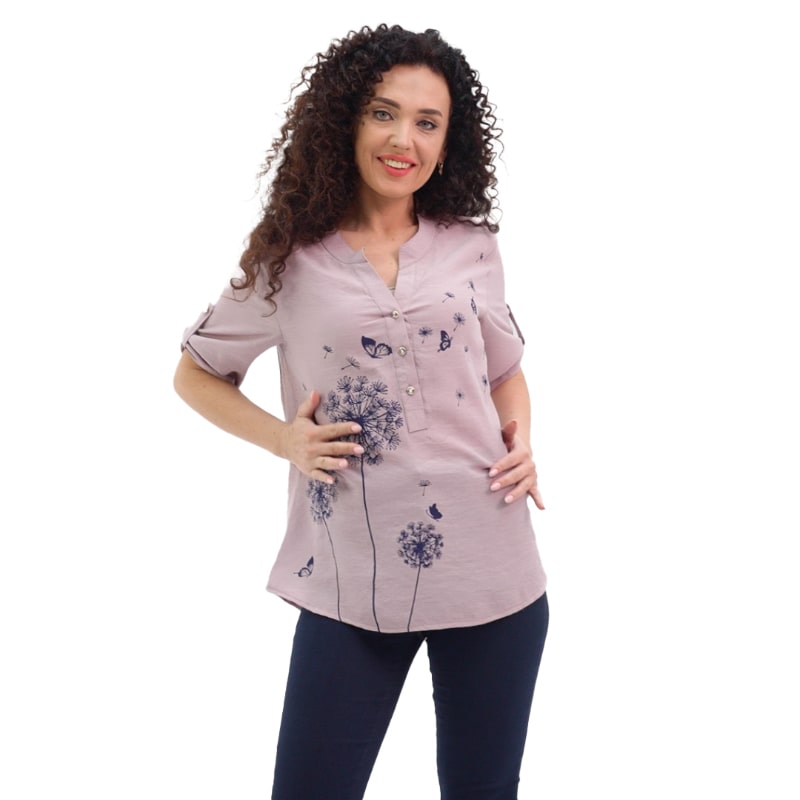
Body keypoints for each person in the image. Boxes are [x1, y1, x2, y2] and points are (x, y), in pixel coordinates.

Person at [174, 24, 548, 800]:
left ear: (447, 143)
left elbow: (505, 370)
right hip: (352, 581)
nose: (403, 139)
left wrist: (522, 437)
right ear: (345, 120)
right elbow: (196, 374)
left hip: (496, 572)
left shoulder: (472, 246)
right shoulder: (286, 261)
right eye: (384, 113)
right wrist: (285, 439)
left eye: (427, 122)